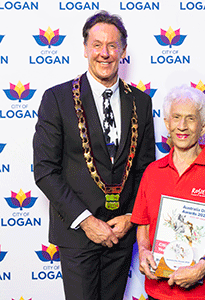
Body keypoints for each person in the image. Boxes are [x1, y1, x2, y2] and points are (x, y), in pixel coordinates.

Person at [33, 11, 155, 300]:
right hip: (77, 235)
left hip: (121, 234)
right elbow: (45, 171)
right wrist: (87, 221)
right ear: (85, 48)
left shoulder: (141, 102)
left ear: (123, 51)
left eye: (112, 46)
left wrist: (131, 216)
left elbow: (145, 170)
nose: (105, 53)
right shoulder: (57, 99)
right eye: (97, 45)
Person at [131, 85, 205, 300]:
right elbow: (143, 223)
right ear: (167, 124)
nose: (182, 126)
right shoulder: (152, 172)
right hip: (162, 291)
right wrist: (144, 251)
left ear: (203, 127)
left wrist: (201, 268)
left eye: (191, 119)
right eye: (176, 118)